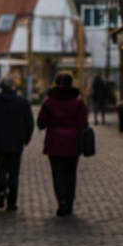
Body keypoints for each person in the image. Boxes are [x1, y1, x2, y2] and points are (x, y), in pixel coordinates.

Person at [37, 71, 88, 216]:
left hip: (55, 141)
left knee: (57, 174)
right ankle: (70, 202)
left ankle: (62, 202)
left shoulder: (49, 101)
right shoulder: (77, 101)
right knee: (71, 174)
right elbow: (83, 122)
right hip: (73, 141)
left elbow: (41, 122)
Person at [0, 76, 35, 211]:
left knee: (1, 169)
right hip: (16, 143)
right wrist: (25, 139)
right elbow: (30, 123)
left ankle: (1, 192)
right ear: (13, 87)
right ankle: (12, 201)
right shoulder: (22, 102)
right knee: (14, 173)